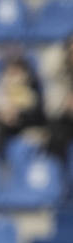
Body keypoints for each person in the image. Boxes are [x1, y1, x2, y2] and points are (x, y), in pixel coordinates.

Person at [0, 49, 45, 162]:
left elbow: (38, 115)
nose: (13, 76)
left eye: (17, 71)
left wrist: (18, 115)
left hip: (25, 127)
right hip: (2, 127)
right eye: (10, 72)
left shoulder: (32, 92)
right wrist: (2, 115)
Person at [39, 32, 73, 162]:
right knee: (57, 133)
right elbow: (52, 107)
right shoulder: (57, 71)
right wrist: (65, 103)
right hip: (63, 122)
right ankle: (56, 172)